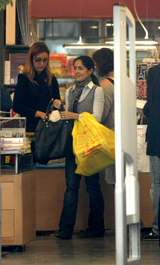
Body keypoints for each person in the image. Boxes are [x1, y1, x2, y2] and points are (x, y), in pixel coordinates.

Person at [55, 55, 105, 239]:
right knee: (71, 187)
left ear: (90, 71)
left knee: (92, 186)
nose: (76, 71)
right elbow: (66, 117)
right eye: (75, 68)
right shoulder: (69, 91)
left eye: (80, 68)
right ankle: (65, 229)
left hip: (89, 144)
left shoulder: (97, 91)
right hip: (72, 144)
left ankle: (96, 228)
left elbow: (97, 118)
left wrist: (74, 115)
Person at [13, 41, 61, 132]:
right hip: (30, 127)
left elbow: (56, 101)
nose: (42, 64)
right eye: (38, 60)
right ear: (31, 59)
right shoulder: (24, 78)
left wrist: (57, 103)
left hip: (48, 128)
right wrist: (40, 114)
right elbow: (17, 106)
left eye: (45, 60)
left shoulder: (51, 78)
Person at [142, 38, 160, 240]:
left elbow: (149, 106)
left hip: (156, 135)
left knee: (157, 184)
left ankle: (157, 228)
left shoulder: (154, 73)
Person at [93, 48, 115, 184]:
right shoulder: (124, 82)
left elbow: (100, 115)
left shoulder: (104, 87)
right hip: (126, 138)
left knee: (115, 182)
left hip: (110, 138)